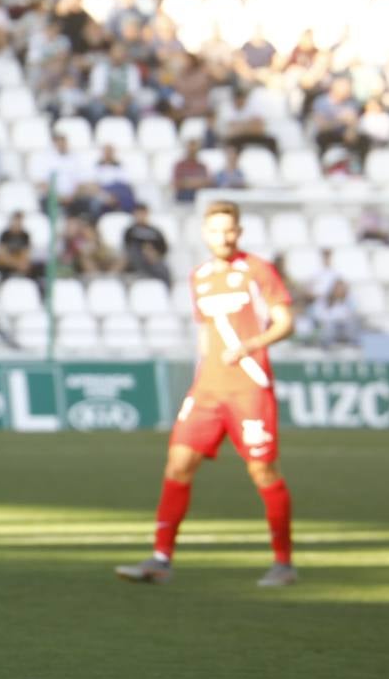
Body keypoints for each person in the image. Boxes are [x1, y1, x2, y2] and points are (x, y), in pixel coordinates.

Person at [116, 200, 298, 587]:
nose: (223, 237)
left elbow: (285, 322)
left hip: (249, 388)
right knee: (178, 464)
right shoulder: (199, 277)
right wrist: (201, 377)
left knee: (262, 470)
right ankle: (161, 559)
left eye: (229, 229)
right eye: (215, 230)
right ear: (205, 233)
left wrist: (251, 345)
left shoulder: (257, 270)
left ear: (240, 231)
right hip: (208, 390)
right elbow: (204, 333)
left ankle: (283, 562)